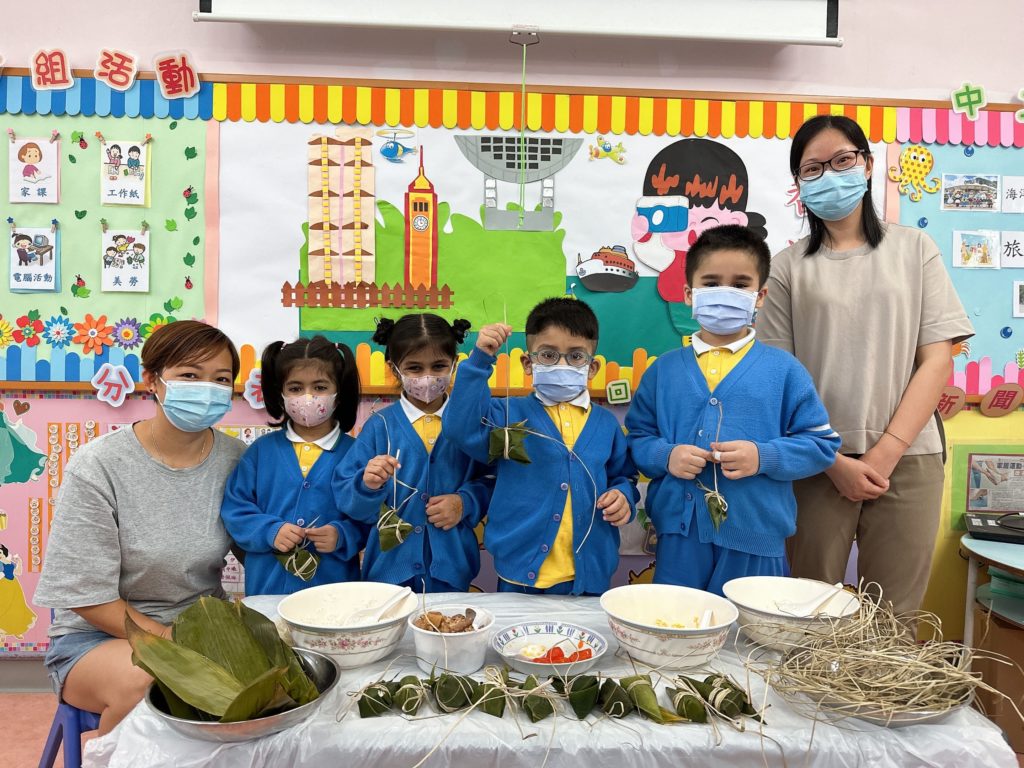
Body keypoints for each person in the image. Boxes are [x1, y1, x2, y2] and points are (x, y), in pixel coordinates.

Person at [757, 115, 974, 615]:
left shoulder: (915, 249)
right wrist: (832, 463)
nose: (829, 175)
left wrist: (885, 455)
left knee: (894, 620)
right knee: (807, 614)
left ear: (867, 165)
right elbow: (778, 378)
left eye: (842, 160)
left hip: (909, 458)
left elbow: (937, 358)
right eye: (813, 168)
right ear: (799, 184)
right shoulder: (786, 267)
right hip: (816, 462)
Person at [34, 321, 245, 735]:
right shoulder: (99, 465)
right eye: (190, 375)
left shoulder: (237, 459)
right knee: (152, 681)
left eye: (221, 379)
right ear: (152, 380)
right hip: (97, 640)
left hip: (202, 629)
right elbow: (87, 598)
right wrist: (169, 640)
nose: (207, 389)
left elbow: (258, 545)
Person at [626, 225, 840, 594]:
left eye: (740, 284)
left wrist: (763, 456)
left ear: (760, 296)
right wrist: (666, 456)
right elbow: (638, 439)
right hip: (679, 538)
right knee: (676, 623)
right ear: (689, 294)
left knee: (750, 630)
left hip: (756, 538)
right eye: (711, 283)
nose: (725, 293)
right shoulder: (663, 371)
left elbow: (821, 445)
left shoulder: (785, 371)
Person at [444, 297, 638, 595]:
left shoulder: (606, 424)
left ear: (592, 367)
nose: (562, 364)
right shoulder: (507, 414)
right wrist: (480, 360)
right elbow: (460, 428)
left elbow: (623, 477)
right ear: (528, 363)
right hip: (520, 574)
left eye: (576, 356)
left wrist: (623, 496)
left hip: (588, 577)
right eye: (548, 355)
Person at [333, 315, 492, 592]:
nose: (427, 377)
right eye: (414, 368)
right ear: (394, 369)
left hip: (452, 570)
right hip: (387, 574)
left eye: (438, 366)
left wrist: (465, 502)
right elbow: (348, 498)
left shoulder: (470, 424)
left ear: (455, 364)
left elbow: (493, 480)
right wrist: (367, 484)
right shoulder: (379, 427)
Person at [221, 337, 367, 594]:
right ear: (281, 392)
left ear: (339, 392)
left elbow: (370, 516)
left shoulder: (358, 453)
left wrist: (342, 535)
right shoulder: (260, 452)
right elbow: (235, 509)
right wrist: (270, 531)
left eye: (320, 387)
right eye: (296, 388)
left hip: (335, 592)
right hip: (268, 592)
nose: (307, 397)